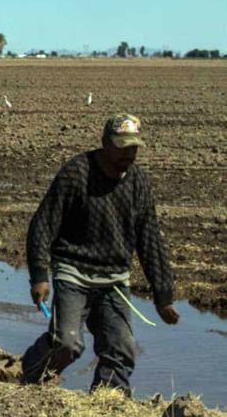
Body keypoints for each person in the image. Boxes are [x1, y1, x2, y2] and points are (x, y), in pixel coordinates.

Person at [21, 113, 179, 395]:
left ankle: (108, 403)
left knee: (120, 349)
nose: (128, 154)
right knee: (67, 344)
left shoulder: (138, 182)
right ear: (105, 143)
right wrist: (39, 276)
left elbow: (149, 238)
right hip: (74, 271)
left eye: (134, 148)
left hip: (114, 279)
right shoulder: (77, 173)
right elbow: (43, 224)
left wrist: (163, 294)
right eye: (122, 147)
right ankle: (30, 376)